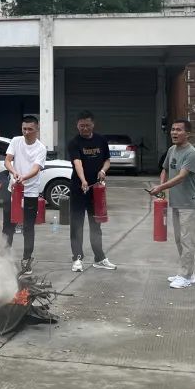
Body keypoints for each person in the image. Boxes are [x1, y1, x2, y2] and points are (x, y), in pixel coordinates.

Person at [149, 119, 195, 289]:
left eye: (179, 130)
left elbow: (181, 176)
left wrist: (160, 187)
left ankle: (185, 275)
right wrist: (162, 187)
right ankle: (189, 273)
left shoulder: (191, 153)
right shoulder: (172, 150)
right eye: (173, 129)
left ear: (188, 133)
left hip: (190, 203)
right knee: (179, 240)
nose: (174, 133)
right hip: (177, 203)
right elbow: (165, 169)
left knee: (187, 241)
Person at [67, 111, 116, 273]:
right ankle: (77, 258)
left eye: (87, 125)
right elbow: (77, 163)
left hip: (96, 190)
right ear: (77, 125)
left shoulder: (101, 140)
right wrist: (83, 180)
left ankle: (99, 258)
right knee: (77, 225)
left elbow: (107, 160)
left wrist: (103, 170)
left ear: (93, 124)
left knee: (96, 225)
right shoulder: (74, 142)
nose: (85, 128)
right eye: (81, 126)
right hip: (79, 189)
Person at [3, 115, 46, 277]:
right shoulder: (15, 141)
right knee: (8, 226)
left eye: (30, 129)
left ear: (37, 129)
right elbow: (7, 161)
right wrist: (14, 172)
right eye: (24, 129)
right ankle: (5, 259)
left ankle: (26, 261)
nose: (26, 132)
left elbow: (36, 168)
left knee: (28, 228)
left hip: (30, 193)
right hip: (12, 190)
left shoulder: (41, 148)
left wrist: (24, 177)